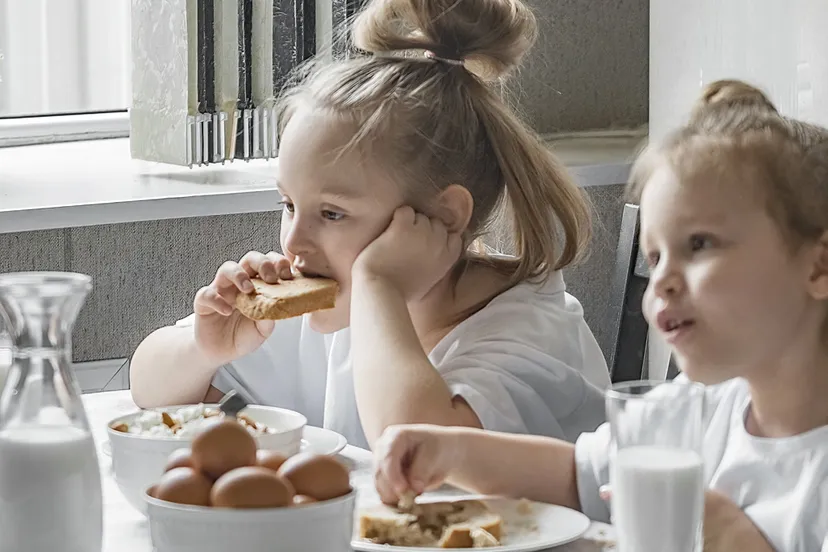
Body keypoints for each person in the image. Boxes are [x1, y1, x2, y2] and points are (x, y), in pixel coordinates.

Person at [129, 0, 610, 451]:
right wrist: (205, 349)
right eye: (289, 205)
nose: (294, 241)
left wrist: (380, 283)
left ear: (444, 216)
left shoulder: (529, 337)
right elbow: (149, 388)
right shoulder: (341, 302)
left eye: (332, 213)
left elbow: (420, 454)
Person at [372, 80, 828, 552]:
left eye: (700, 244)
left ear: (818, 265)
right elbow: (576, 476)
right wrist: (450, 450)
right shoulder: (695, 410)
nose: (662, 282)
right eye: (655, 259)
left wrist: (741, 542)